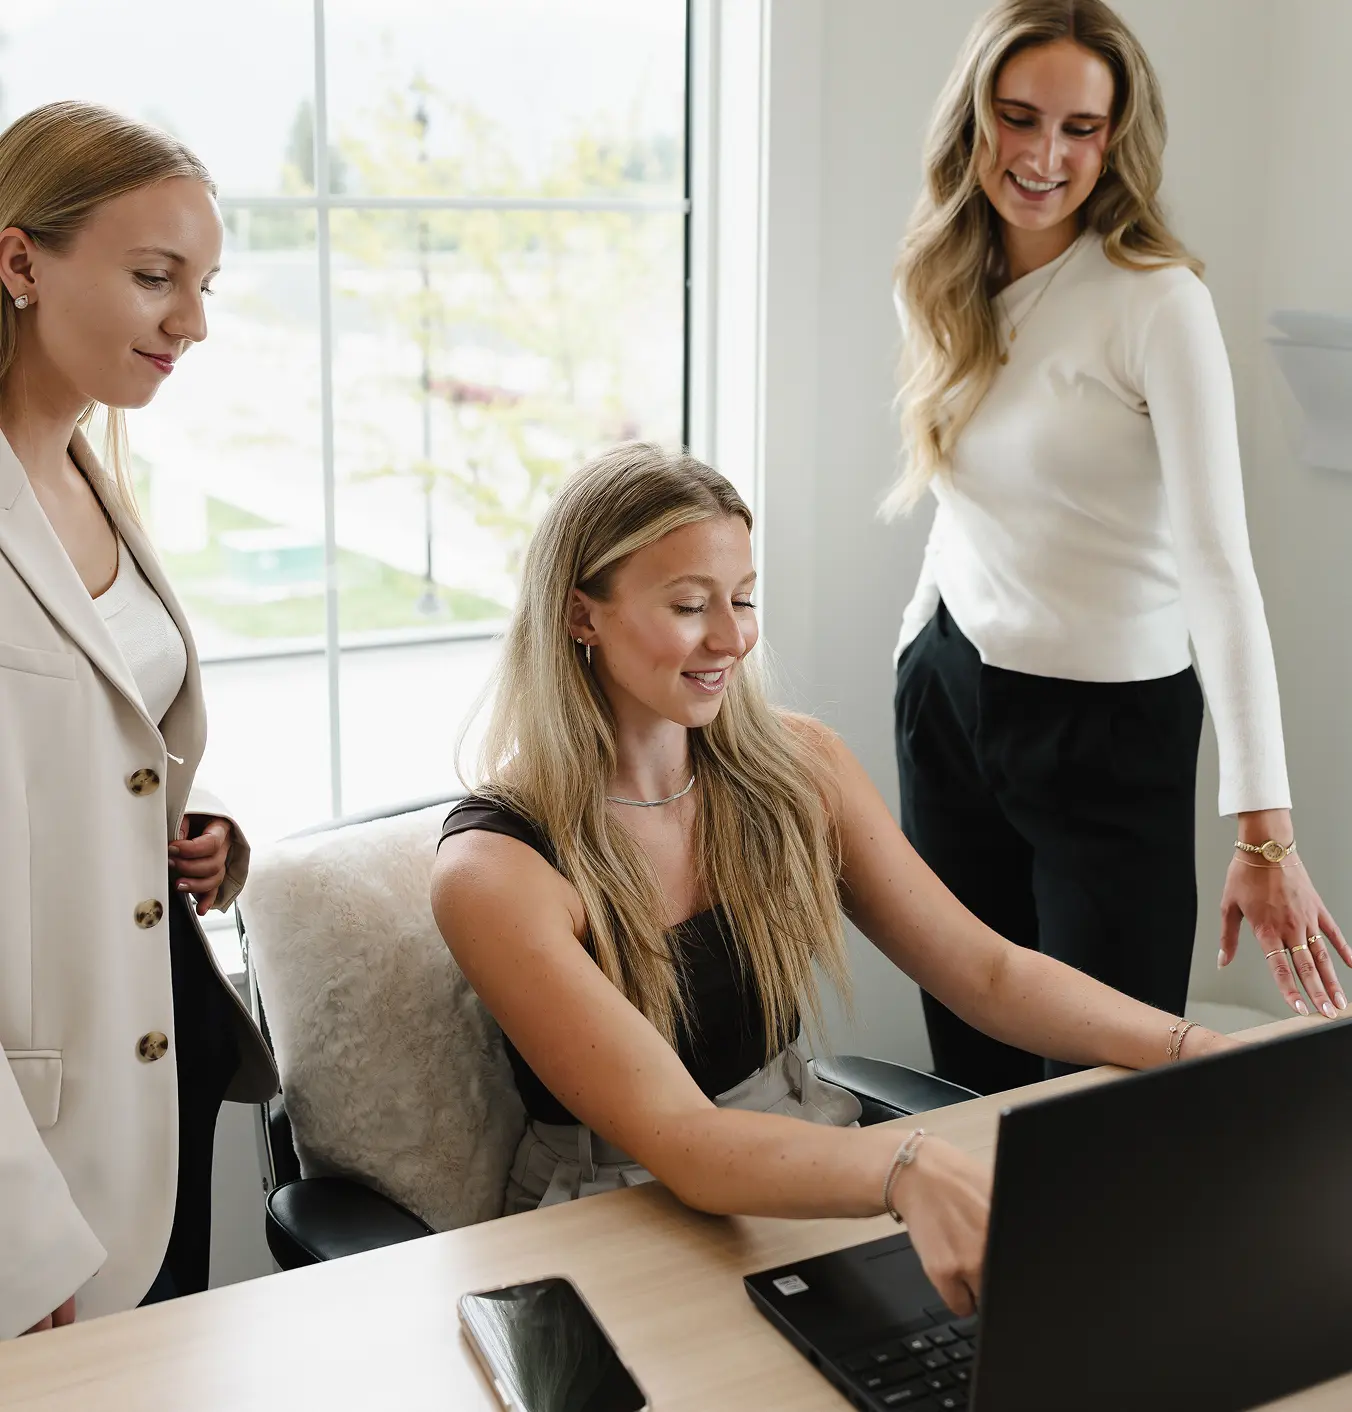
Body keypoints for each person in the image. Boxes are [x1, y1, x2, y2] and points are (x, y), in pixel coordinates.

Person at [432, 442, 1242, 1316]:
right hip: (608, 1217)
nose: (732, 636)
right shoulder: (496, 868)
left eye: (742, 599)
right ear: (580, 615)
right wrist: (907, 1166)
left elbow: (987, 972)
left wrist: (1191, 1051)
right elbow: (686, 1140)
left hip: (808, 1156)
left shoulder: (799, 767)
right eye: (688, 605)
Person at [887, 0, 1349, 1096]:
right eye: (1017, 116)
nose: (1044, 155)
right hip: (950, 703)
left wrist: (1265, 829)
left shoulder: (1154, 301)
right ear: (972, 120)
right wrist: (917, 647)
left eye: (1079, 127)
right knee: (971, 1078)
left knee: (1102, 1096)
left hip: (1108, 736)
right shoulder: (948, 276)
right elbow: (969, 492)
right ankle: (976, 1273)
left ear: (1114, 136)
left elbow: (1217, 568)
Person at [0, 101, 277, 1340]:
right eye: (156, 277)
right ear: (18, 262)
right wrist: (17, 1231)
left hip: (154, 1084)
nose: (194, 322)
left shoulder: (85, 471)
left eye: (205, 283)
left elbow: (104, 740)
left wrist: (191, 828)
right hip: (36, 1160)